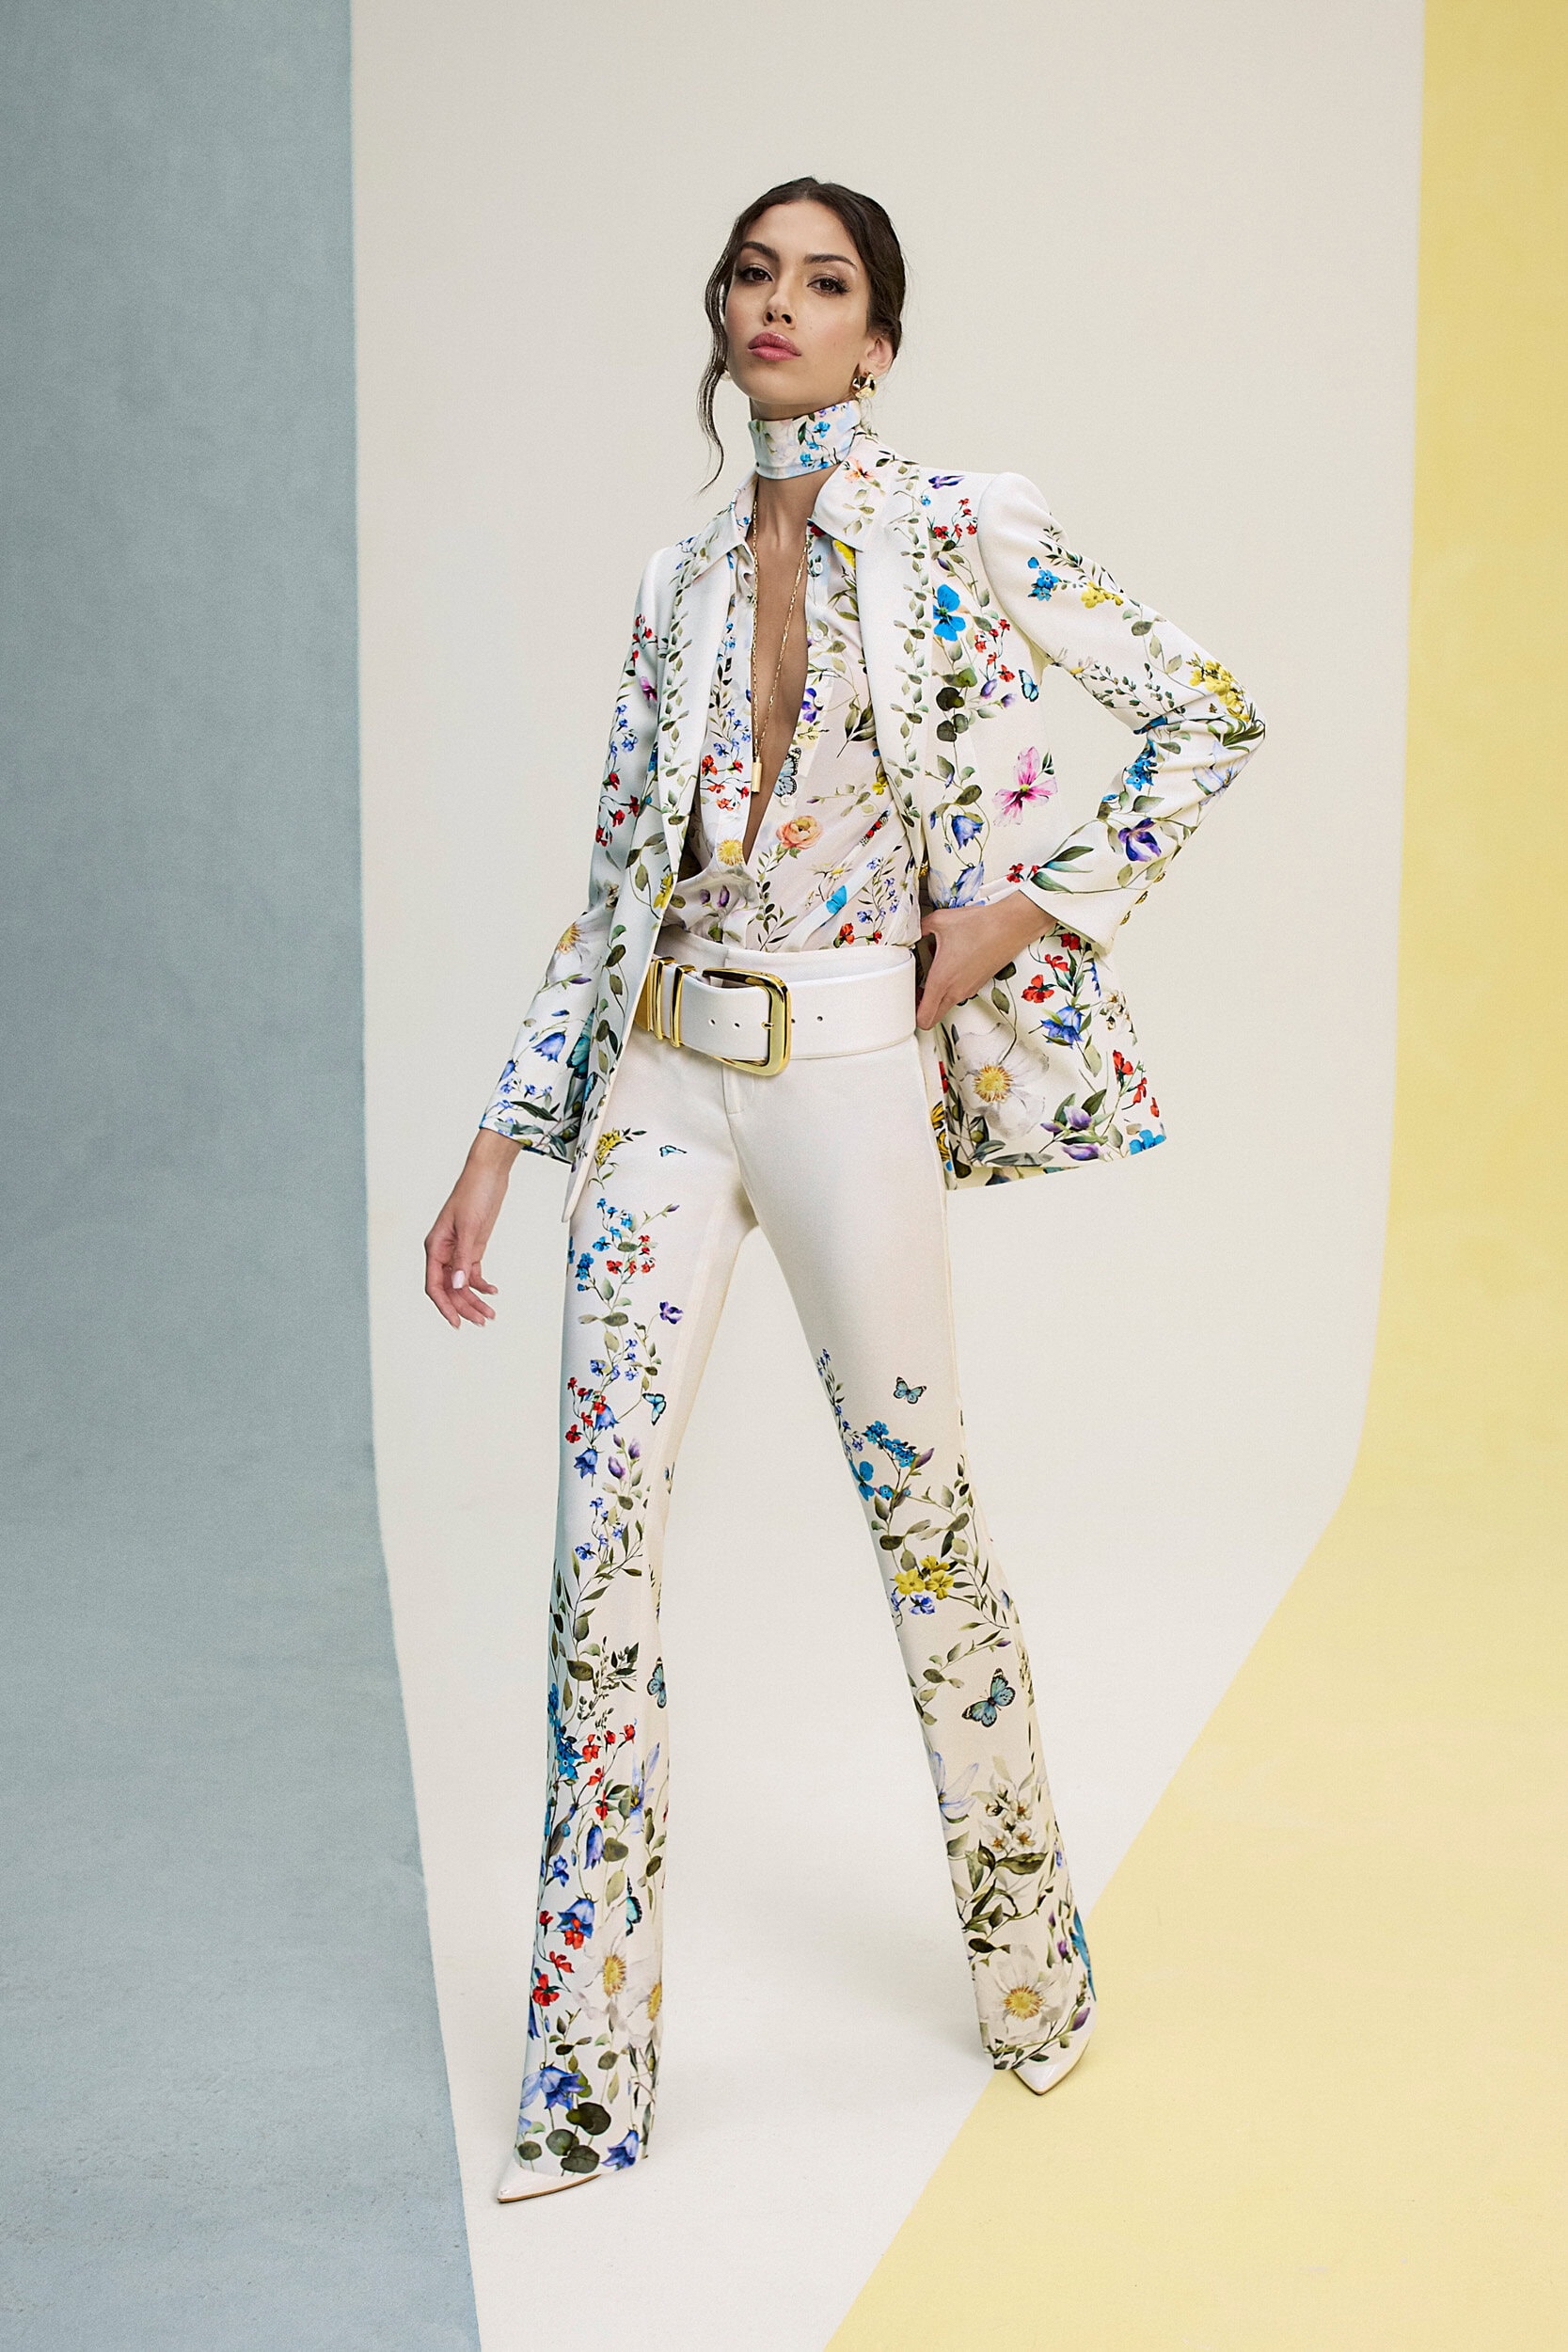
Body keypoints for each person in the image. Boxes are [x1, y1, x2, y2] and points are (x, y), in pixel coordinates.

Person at [422, 177, 1265, 2202]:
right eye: (752, 274)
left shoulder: (963, 525)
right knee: (596, 1559)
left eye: (824, 283)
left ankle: (1034, 1978)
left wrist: (1014, 920)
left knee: (927, 1536)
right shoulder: (678, 578)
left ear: (878, 338)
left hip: (854, 1078)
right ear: (720, 312)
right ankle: (584, 2084)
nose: (778, 306)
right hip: (660, 1084)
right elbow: (616, 879)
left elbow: (1207, 715)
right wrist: (503, 1134)